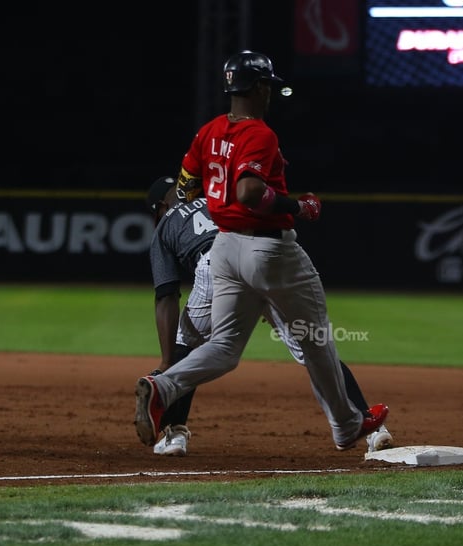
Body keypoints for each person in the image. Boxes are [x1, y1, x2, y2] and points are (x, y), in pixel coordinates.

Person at [135, 50, 389, 452]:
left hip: (224, 250)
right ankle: (346, 425)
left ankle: (163, 386)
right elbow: (249, 191)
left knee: (223, 348)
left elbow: (185, 188)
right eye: (267, 85)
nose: (270, 92)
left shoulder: (208, 132)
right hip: (268, 251)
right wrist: (298, 206)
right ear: (255, 87)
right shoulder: (261, 134)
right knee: (315, 338)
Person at [144, 176, 394, 456]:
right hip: (262, 255)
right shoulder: (220, 198)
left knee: (186, 346)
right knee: (314, 347)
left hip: (218, 265)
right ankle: (371, 428)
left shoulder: (166, 224)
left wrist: (167, 360)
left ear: (161, 207)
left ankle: (175, 434)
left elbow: (166, 294)